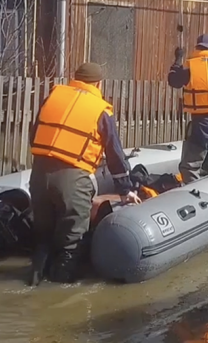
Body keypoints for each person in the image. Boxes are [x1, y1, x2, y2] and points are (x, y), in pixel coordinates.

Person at [28, 62, 141, 286]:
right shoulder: (100, 110)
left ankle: (32, 283)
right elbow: (114, 154)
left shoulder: (53, 97)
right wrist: (125, 189)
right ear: (99, 84)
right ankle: (57, 298)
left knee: (43, 238)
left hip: (39, 174)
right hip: (73, 180)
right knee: (71, 242)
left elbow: (35, 134)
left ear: (75, 78)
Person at [167, 34, 208, 184]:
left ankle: (194, 195)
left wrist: (178, 59)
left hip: (202, 124)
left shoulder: (191, 66)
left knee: (189, 168)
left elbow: (173, 80)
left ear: (197, 47)